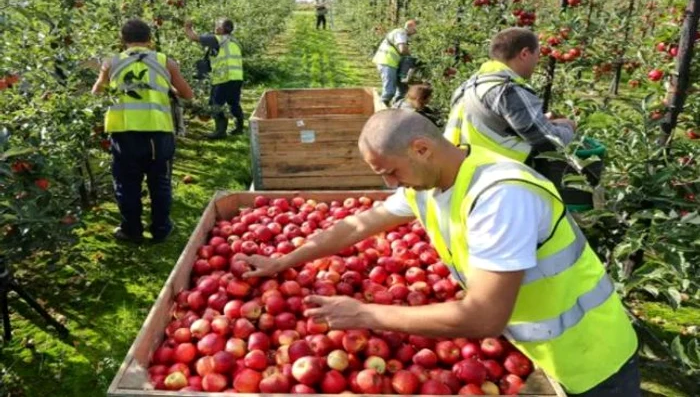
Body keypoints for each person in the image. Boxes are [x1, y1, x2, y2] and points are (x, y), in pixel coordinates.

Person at [237, 109, 641, 397]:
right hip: (530, 349)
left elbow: (483, 316)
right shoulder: (431, 185)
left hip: (589, 362)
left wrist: (363, 314)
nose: (392, 183)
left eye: (391, 172)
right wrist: (283, 260)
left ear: (421, 149)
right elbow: (358, 225)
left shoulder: (500, 198)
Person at [92, 18, 193, 243]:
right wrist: (168, 87)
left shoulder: (111, 63)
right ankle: (161, 228)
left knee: (127, 184)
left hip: (124, 132)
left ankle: (131, 230)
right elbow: (188, 94)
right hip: (158, 132)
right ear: (150, 39)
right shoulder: (165, 62)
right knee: (159, 182)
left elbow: (96, 93)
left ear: (122, 40)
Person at [444, 27, 576, 163]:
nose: (537, 62)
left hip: (464, 169)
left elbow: (489, 127)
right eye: (537, 55)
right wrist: (567, 126)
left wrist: (541, 120)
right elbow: (549, 143)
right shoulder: (507, 90)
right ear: (524, 54)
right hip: (500, 174)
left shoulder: (467, 87)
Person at [184, 18, 244, 138]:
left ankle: (220, 132)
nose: (215, 27)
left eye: (217, 25)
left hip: (223, 77)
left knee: (216, 104)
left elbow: (194, 37)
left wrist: (188, 28)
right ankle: (239, 128)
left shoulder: (217, 39)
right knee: (234, 102)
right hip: (236, 76)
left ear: (221, 29)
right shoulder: (234, 41)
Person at [372, 19, 418, 106]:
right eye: (415, 29)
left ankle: (396, 108)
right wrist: (412, 58)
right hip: (386, 61)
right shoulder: (401, 33)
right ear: (410, 25)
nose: (416, 32)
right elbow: (402, 49)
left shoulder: (404, 35)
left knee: (402, 90)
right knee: (389, 91)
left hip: (392, 63)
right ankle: (381, 108)